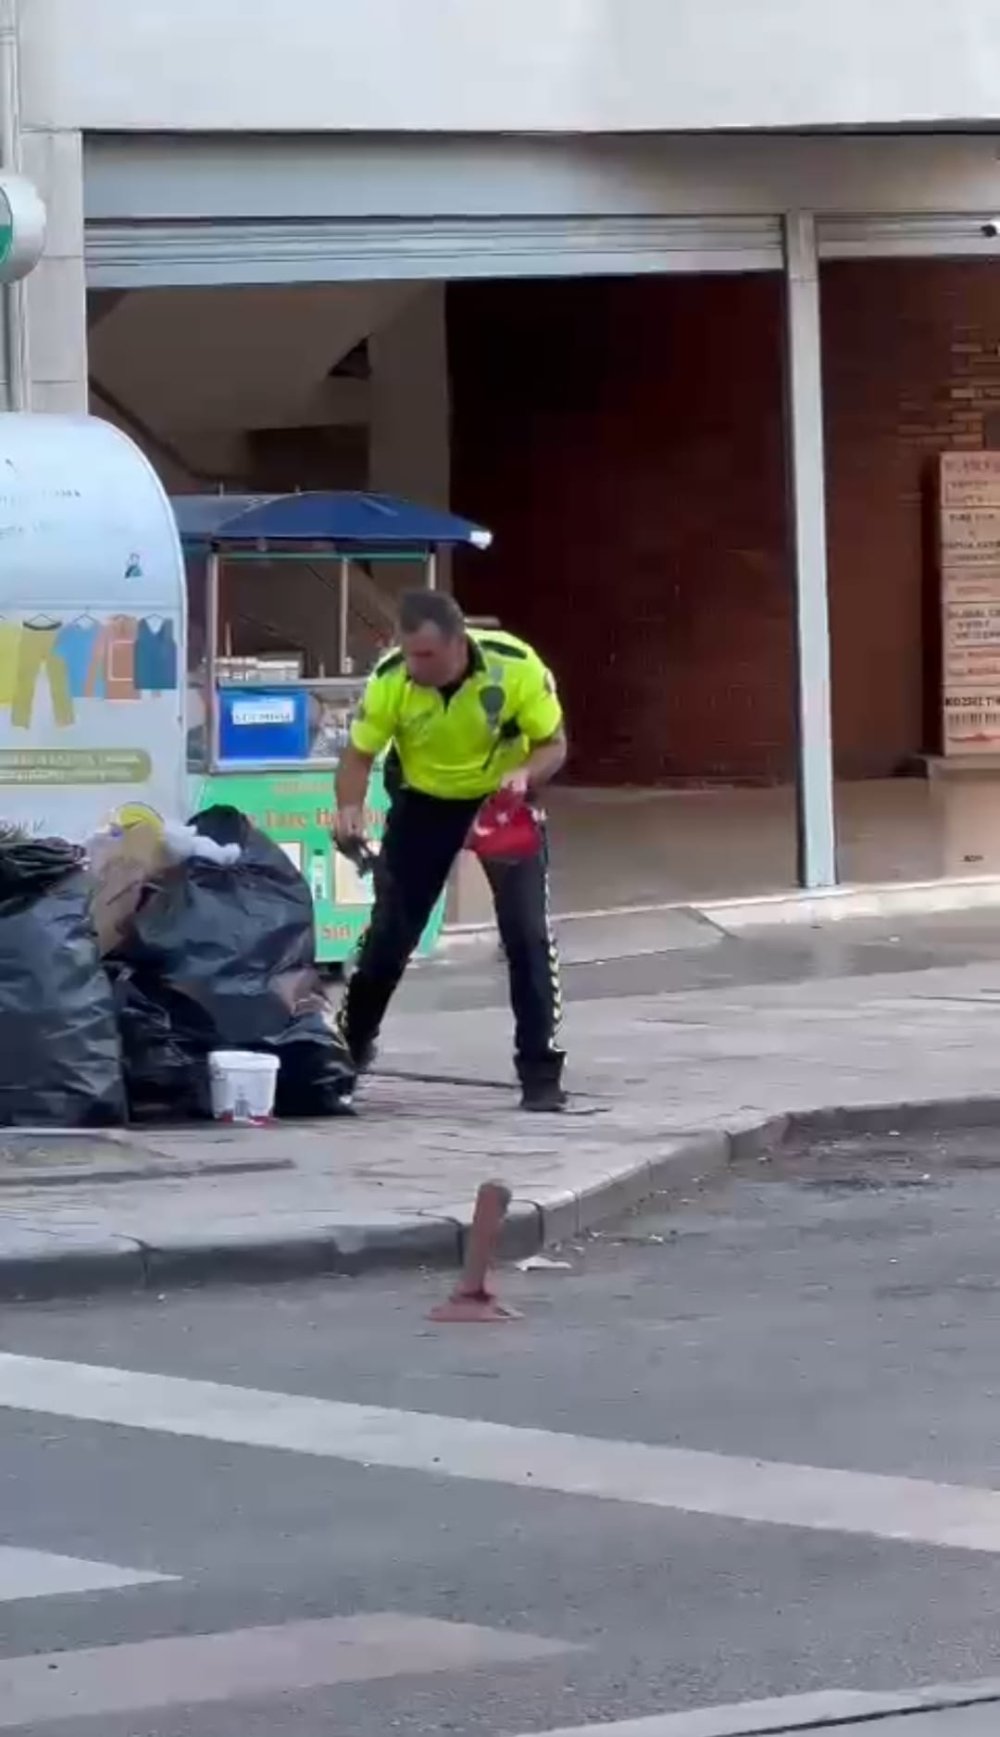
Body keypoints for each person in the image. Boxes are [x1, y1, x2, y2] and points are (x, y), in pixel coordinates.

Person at [332, 590, 568, 1111]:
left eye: (426, 656)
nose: (415, 666)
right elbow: (358, 756)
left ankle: (540, 1071)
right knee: (391, 933)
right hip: (424, 803)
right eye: (409, 653)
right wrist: (348, 807)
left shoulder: (516, 666)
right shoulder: (392, 679)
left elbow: (554, 743)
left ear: (458, 645)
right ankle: (350, 1047)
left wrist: (526, 773)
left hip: (500, 801)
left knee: (527, 934)